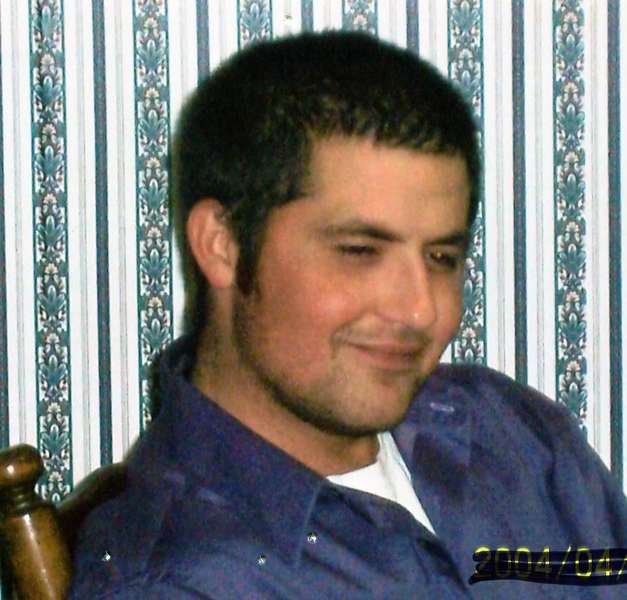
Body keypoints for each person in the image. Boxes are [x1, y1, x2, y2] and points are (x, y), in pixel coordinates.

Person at [69, 31, 627, 599]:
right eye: (360, 252)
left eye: (441, 257)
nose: (419, 309)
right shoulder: (180, 582)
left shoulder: (511, 433)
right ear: (223, 244)